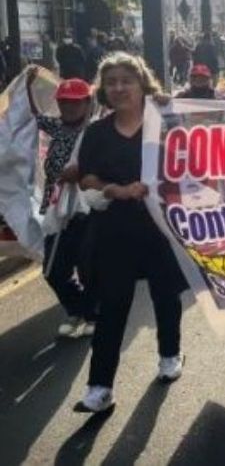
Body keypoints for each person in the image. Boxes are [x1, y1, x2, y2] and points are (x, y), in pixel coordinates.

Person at [74, 52, 188, 413]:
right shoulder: (96, 132)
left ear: (143, 84)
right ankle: (99, 387)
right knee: (112, 307)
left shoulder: (166, 124)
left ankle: (170, 354)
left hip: (161, 231)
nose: (119, 88)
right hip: (115, 233)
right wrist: (115, 190)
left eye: (127, 80)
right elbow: (86, 176)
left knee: (166, 297)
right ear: (103, 90)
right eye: (111, 82)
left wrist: (173, 109)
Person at [25, 67, 96, 338]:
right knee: (53, 270)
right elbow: (34, 116)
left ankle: (92, 314)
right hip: (56, 207)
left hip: (86, 208)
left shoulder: (96, 131)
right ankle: (75, 309)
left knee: (87, 265)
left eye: (74, 101)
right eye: (63, 101)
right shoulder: (57, 126)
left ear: (87, 103)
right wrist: (29, 88)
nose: (67, 106)